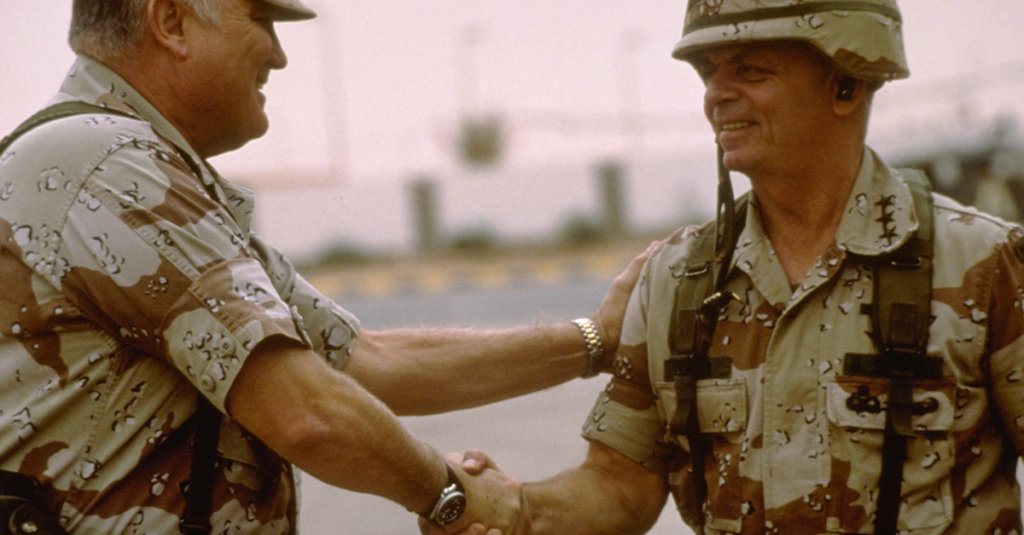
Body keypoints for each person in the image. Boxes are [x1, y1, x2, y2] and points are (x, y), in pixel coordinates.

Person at [0, 0, 653, 533]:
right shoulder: (109, 167)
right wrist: (452, 496)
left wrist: (594, 338)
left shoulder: (136, 166)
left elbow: (366, 362)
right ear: (170, 22)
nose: (279, 55)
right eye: (261, 18)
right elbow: (307, 411)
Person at [428, 1, 1024, 534]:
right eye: (711, 72)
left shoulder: (981, 264)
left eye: (751, 70)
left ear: (845, 83)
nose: (718, 93)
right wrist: (514, 510)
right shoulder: (678, 279)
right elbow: (620, 484)